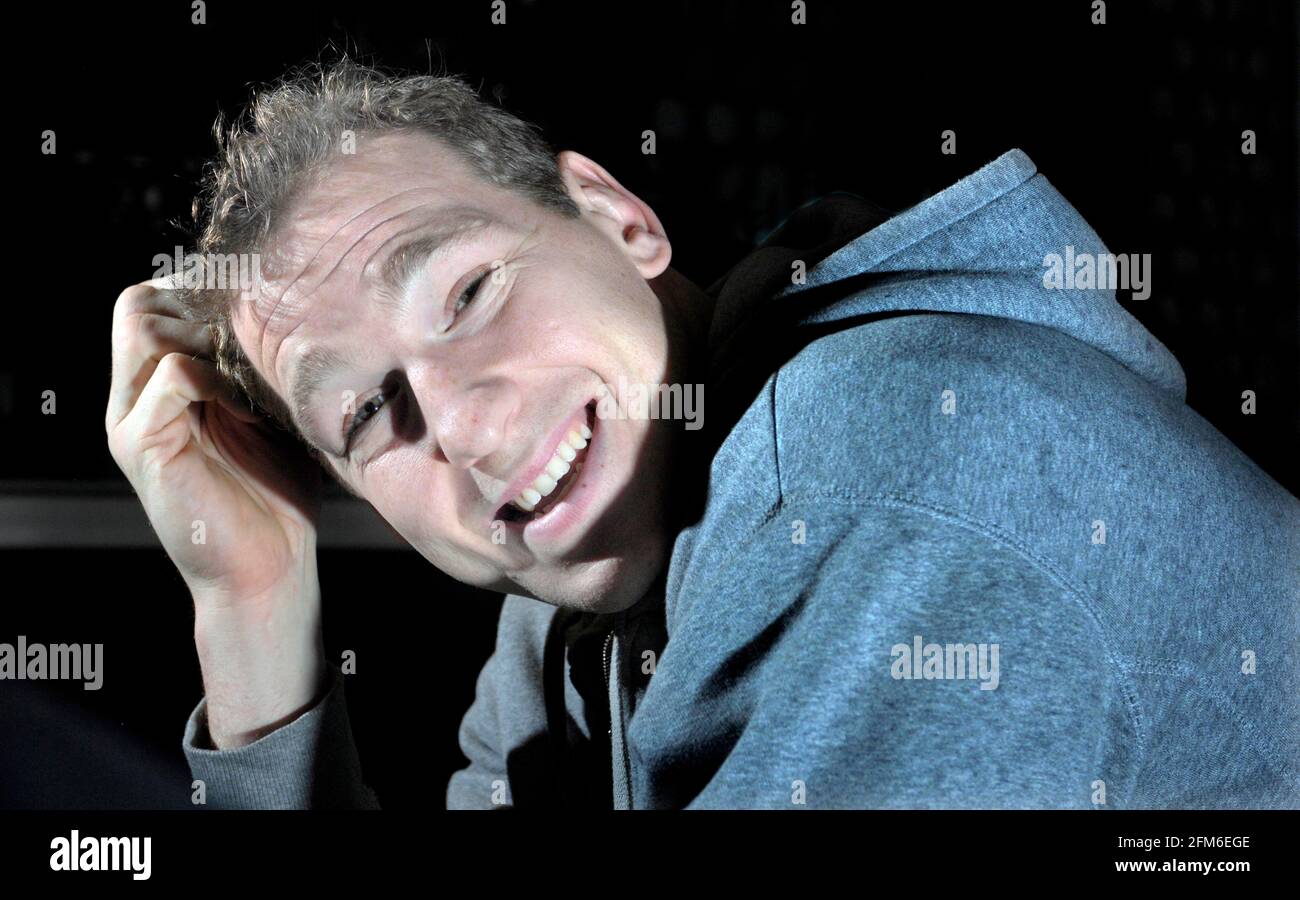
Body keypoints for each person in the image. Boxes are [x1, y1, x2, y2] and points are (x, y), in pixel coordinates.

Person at [106, 58, 1300, 809]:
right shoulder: (563, 631)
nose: (463, 426)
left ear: (620, 219)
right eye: (368, 412)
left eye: (469, 293)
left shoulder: (879, 489)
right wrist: (249, 611)